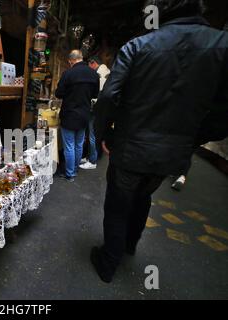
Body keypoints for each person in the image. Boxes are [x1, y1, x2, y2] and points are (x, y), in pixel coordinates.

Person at [92, 0, 228, 283]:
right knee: (143, 196)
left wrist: (104, 134)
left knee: (118, 204)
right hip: (173, 153)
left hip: (130, 148)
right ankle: (129, 245)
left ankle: (109, 262)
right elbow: (223, 111)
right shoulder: (222, 44)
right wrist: (193, 139)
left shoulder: (138, 45)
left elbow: (108, 97)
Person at [55, 50, 100, 182]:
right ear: (81, 58)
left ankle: (70, 174)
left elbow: (59, 93)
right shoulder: (93, 74)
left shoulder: (68, 73)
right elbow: (95, 94)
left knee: (69, 145)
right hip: (84, 114)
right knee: (79, 144)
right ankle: (74, 169)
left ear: (71, 61)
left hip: (69, 114)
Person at [79, 56, 111, 170]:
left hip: (96, 109)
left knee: (92, 135)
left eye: (89, 65)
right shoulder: (106, 71)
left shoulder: (100, 74)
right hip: (103, 110)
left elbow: (98, 95)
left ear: (93, 63)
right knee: (92, 134)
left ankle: (92, 161)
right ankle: (89, 157)